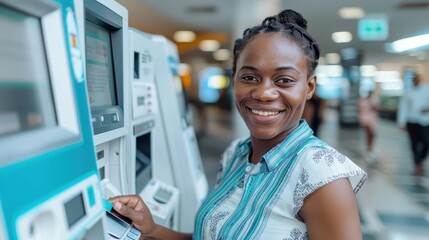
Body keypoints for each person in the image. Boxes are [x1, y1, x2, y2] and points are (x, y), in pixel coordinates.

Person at [109, 9, 368, 239]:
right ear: (235, 80)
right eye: (250, 77)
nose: (263, 93)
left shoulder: (322, 179)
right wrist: (152, 230)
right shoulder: (236, 154)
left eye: (284, 80)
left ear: (309, 87)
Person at [397, 74, 429, 176]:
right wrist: (401, 123)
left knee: (426, 142)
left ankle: (420, 160)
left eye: (416, 78)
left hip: (425, 121)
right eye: (413, 79)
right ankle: (417, 165)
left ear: (420, 79)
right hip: (412, 121)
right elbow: (403, 108)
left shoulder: (426, 90)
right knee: (414, 145)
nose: (415, 81)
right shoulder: (408, 92)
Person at [358, 90, 379, 163]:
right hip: (366, 120)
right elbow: (360, 110)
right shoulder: (362, 101)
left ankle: (370, 149)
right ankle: (368, 150)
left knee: (372, 135)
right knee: (369, 135)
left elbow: (376, 109)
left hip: (372, 120)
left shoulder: (373, 101)